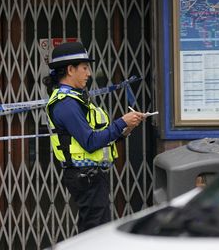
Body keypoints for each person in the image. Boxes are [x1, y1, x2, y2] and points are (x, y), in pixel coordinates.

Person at [43, 41, 144, 233]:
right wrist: (121, 122)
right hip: (85, 177)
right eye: (85, 67)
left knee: (97, 230)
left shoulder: (77, 98)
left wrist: (125, 129)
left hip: (92, 175)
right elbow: (90, 142)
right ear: (71, 70)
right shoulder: (66, 103)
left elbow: (100, 137)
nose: (89, 73)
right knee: (94, 232)